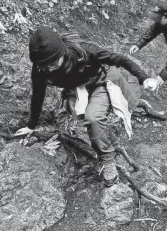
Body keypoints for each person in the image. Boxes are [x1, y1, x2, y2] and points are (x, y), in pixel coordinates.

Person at [15, 27, 152, 186]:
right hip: (76, 90)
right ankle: (111, 142)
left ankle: (107, 161)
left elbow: (120, 59)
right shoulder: (40, 69)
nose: (49, 68)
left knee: (93, 117)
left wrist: (143, 78)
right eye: (44, 65)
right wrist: (31, 125)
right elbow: (38, 95)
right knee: (89, 120)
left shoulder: (85, 51)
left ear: (63, 53)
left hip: (100, 82)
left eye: (52, 63)